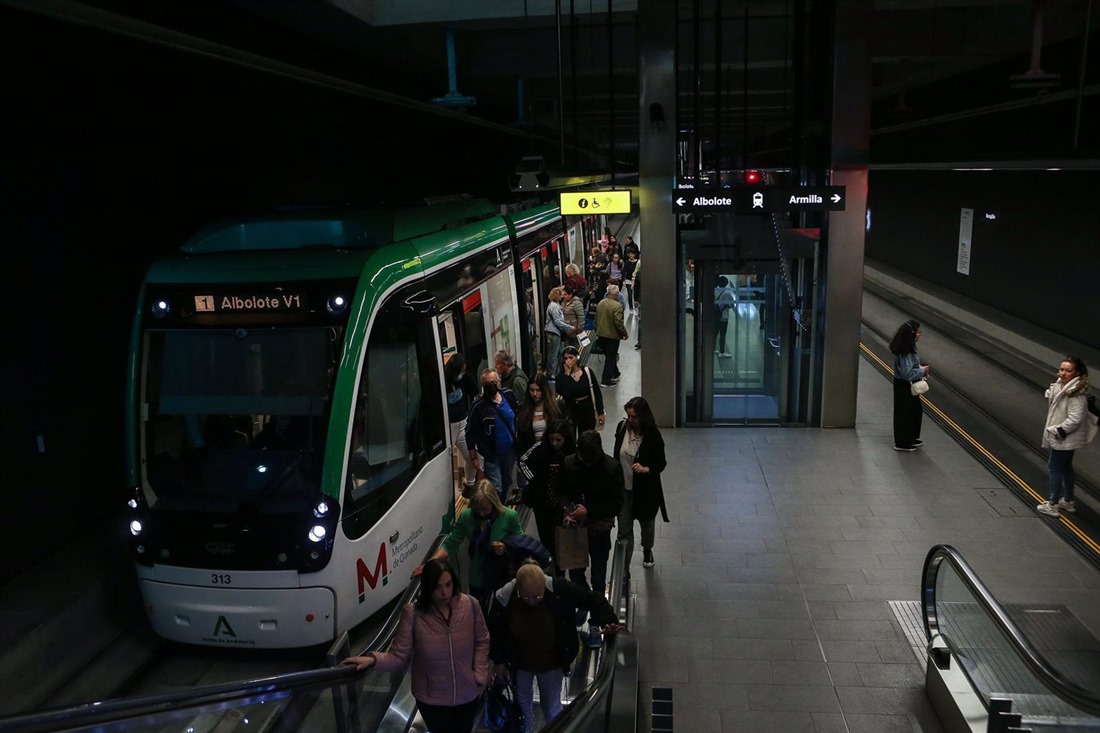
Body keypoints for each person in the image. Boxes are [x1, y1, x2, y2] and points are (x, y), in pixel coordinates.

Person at [342, 559, 489, 733]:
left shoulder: (470, 605)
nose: (445, 593)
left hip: (467, 694)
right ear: (428, 588)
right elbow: (398, 656)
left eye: (448, 585)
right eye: (437, 587)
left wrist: (480, 675)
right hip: (432, 700)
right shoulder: (413, 614)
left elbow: (482, 640)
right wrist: (372, 660)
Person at [487, 559, 621, 733]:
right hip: (519, 665)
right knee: (522, 704)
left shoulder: (558, 589)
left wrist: (609, 621)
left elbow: (592, 599)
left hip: (551, 663)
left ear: (544, 583)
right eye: (526, 597)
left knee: (551, 705)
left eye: (537, 596)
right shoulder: (505, 597)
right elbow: (494, 630)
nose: (532, 601)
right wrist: (499, 661)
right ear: (518, 589)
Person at [431, 480, 524, 607]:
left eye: (485, 509)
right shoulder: (466, 517)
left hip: (502, 575)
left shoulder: (509, 516)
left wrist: (506, 547)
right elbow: (451, 543)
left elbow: (521, 542)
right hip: (477, 576)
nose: (481, 514)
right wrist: (433, 560)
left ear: (493, 502)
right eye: (477, 509)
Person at [561, 430, 624, 606]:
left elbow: (616, 504)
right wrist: (566, 508)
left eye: (591, 459)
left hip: (599, 530)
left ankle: (596, 610)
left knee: (598, 577)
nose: (588, 463)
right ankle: (585, 601)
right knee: (575, 575)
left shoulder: (612, 468)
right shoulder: (569, 463)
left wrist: (588, 511)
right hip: (575, 529)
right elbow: (563, 492)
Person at [613, 396, 669, 573]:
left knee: (647, 526)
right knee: (624, 531)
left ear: (643, 416)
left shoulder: (653, 435)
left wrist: (646, 469)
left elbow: (661, 462)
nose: (631, 420)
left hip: (645, 492)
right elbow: (616, 456)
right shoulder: (622, 429)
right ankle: (624, 569)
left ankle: (647, 549)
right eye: (629, 416)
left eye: (634, 417)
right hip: (624, 490)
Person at [1036, 357, 1096, 517]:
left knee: (1054, 468)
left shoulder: (1075, 392)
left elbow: (1076, 417)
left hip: (1064, 437)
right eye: (1062, 369)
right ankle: (1068, 501)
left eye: (1068, 370)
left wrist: (1059, 430)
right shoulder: (1063, 386)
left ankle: (1053, 504)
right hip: (1066, 437)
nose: (1063, 373)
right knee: (1066, 468)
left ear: (1077, 373)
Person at [517, 419, 577, 566]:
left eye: (559, 440)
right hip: (541, 502)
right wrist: (534, 480)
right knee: (546, 537)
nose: (555, 443)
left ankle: (559, 568)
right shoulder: (540, 448)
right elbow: (523, 461)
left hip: (563, 503)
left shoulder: (573, 452)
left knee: (561, 537)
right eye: (552, 439)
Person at [466, 369, 521, 501]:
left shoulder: (508, 395)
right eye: (487, 383)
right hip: (491, 455)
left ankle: (501, 506)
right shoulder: (478, 406)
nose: (490, 385)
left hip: (509, 452)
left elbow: (516, 415)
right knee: (496, 487)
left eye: (493, 382)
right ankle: (495, 512)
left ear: (499, 382)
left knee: (507, 481)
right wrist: (473, 457)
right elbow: (470, 432)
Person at [889, 320, 930, 452]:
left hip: (905, 385)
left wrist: (919, 368)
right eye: (918, 332)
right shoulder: (906, 352)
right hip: (904, 385)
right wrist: (922, 370)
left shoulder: (907, 349)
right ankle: (903, 442)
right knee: (905, 413)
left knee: (915, 411)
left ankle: (911, 437)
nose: (919, 335)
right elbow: (907, 373)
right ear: (911, 334)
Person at [444, 353, 481, 491]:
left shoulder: (463, 380)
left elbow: (475, 390)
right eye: (460, 371)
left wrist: (467, 376)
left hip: (462, 422)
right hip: (448, 426)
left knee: (472, 458)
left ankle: (469, 484)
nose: (462, 374)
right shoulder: (442, 382)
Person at [556, 345, 605, 440]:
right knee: (570, 437)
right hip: (571, 410)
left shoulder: (587, 372)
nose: (568, 361)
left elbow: (597, 392)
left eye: (571, 357)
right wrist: (567, 375)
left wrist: (600, 412)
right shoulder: (561, 377)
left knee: (587, 438)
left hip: (587, 409)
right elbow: (565, 393)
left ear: (577, 358)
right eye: (565, 358)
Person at [515, 371, 565, 459]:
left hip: (552, 454)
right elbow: (522, 439)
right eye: (532, 390)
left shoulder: (557, 408)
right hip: (533, 455)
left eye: (538, 390)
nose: (535, 394)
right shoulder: (524, 409)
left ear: (544, 390)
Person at [594, 284, 628, 388]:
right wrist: (624, 333)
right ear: (617, 294)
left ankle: (616, 373)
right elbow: (618, 322)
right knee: (610, 357)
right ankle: (606, 380)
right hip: (612, 336)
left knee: (609, 355)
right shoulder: (617, 306)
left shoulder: (601, 303)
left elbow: (596, 319)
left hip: (601, 333)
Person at [543, 287, 572, 377]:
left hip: (555, 332)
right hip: (553, 332)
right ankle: (550, 373)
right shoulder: (554, 306)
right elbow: (557, 321)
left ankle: (562, 370)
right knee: (553, 354)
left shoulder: (555, 305)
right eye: (560, 295)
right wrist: (569, 327)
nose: (562, 296)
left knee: (560, 352)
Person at [714, 275, 735, 357]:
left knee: (715, 332)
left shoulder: (715, 291)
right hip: (724, 316)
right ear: (726, 283)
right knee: (722, 334)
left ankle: (713, 348)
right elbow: (732, 304)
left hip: (715, 315)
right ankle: (722, 352)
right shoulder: (727, 293)